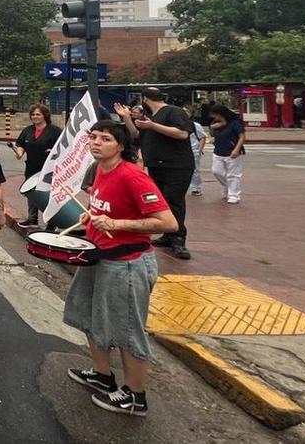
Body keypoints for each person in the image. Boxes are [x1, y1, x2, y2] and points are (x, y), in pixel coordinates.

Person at [64, 120, 178, 417]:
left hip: (127, 263)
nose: (96, 142)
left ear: (121, 146)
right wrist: (91, 220)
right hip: (98, 255)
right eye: (93, 137)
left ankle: (135, 395)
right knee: (89, 315)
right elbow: (104, 209)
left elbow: (168, 223)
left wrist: (118, 224)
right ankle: (102, 375)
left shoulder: (133, 176)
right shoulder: (100, 170)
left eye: (105, 138)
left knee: (127, 330)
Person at [116, 88, 194, 259]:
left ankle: (178, 238)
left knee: (174, 200)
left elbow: (182, 133)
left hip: (177, 165)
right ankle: (168, 234)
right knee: (162, 201)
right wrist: (127, 117)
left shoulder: (174, 112)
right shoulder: (150, 117)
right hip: (156, 165)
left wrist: (152, 125)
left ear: (145, 99)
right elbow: (136, 135)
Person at [13, 104, 62, 229]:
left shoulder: (55, 131)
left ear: (45, 115)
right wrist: (19, 152)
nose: (35, 117)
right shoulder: (28, 130)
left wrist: (54, 151)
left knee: (48, 195)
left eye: (38, 114)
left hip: (49, 169)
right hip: (31, 167)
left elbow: (63, 147)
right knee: (31, 193)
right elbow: (21, 144)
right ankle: (32, 218)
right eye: (33, 114)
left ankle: (52, 223)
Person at [209, 104, 246, 204]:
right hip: (218, 151)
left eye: (216, 115)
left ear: (221, 114)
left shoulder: (235, 123)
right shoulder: (215, 122)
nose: (215, 118)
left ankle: (234, 194)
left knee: (233, 174)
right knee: (216, 171)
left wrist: (236, 149)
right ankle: (228, 186)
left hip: (232, 151)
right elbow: (212, 134)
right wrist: (212, 127)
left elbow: (242, 136)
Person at [188, 117, 207, 196]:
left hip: (193, 150)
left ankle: (197, 188)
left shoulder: (195, 125)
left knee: (194, 170)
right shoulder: (177, 124)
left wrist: (199, 150)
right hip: (181, 151)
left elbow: (202, 137)